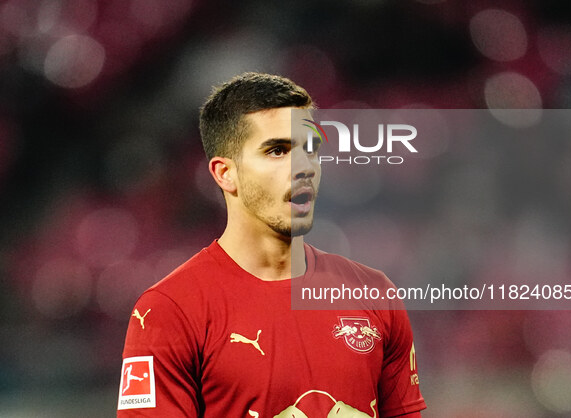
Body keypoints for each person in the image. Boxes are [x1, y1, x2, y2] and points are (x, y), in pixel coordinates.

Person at [117, 72, 426, 417]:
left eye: (311, 150)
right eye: (278, 150)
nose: (304, 167)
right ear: (225, 173)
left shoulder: (374, 294)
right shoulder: (169, 310)